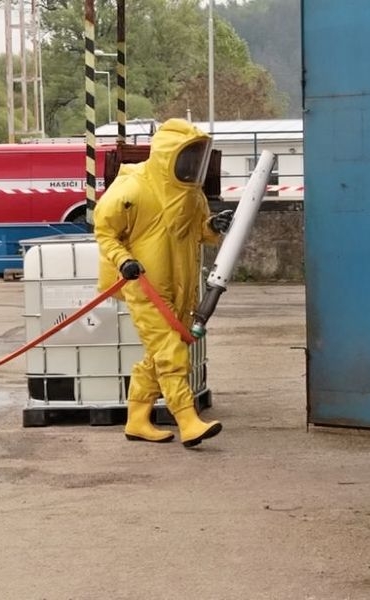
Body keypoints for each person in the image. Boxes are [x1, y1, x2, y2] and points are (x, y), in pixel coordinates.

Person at [93, 118, 234, 448]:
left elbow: (199, 232)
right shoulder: (132, 188)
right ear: (168, 155)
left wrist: (214, 225)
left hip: (181, 285)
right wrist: (123, 261)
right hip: (145, 286)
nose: (193, 165)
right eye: (188, 156)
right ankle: (187, 420)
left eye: (197, 157)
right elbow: (105, 231)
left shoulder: (191, 194)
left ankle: (137, 420)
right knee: (170, 352)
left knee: (159, 355)